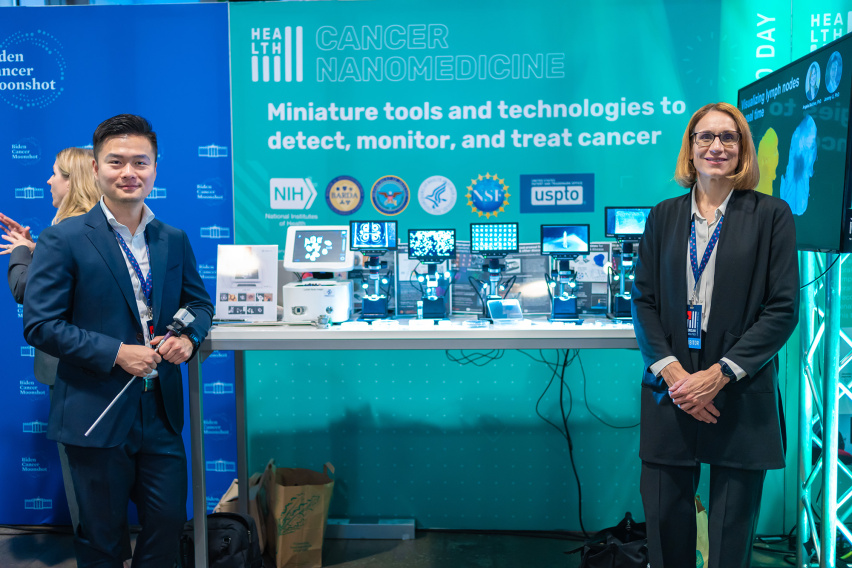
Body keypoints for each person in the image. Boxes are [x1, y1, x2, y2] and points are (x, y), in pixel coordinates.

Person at [23, 114, 213, 568]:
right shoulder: (63, 239)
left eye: (140, 162)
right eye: (117, 162)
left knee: (166, 530)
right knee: (102, 542)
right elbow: (40, 324)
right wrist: (116, 353)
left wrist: (187, 336)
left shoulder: (172, 238)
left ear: (155, 168)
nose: (129, 172)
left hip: (160, 414)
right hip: (95, 410)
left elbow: (201, 304)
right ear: (95, 168)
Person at [631, 102, 799, 568]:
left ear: (743, 149)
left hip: (740, 390)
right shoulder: (663, 216)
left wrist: (719, 375)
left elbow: (783, 309)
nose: (717, 146)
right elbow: (642, 301)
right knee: (665, 525)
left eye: (729, 137)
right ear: (691, 148)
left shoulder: (771, 215)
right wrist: (675, 375)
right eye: (705, 137)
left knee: (730, 536)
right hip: (673, 388)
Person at [1, 147, 102, 536]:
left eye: (56, 173)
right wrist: (32, 248)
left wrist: (23, 255)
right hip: (95, 365)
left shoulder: (66, 234)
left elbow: (26, 290)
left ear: (74, 181)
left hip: (70, 369)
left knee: (82, 476)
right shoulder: (93, 230)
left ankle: (98, 556)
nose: (48, 181)